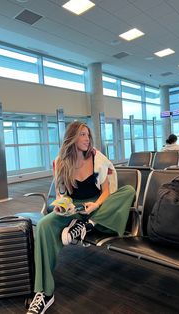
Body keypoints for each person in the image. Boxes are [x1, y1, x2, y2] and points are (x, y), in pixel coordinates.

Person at [27, 121, 135, 314]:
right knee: (44, 225)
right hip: (74, 207)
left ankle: (89, 224)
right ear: (72, 138)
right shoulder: (60, 162)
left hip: (97, 205)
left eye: (88, 135)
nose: (87, 139)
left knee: (128, 190)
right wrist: (62, 206)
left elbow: (106, 192)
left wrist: (95, 205)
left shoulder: (96, 158)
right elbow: (61, 193)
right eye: (82, 135)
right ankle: (44, 292)